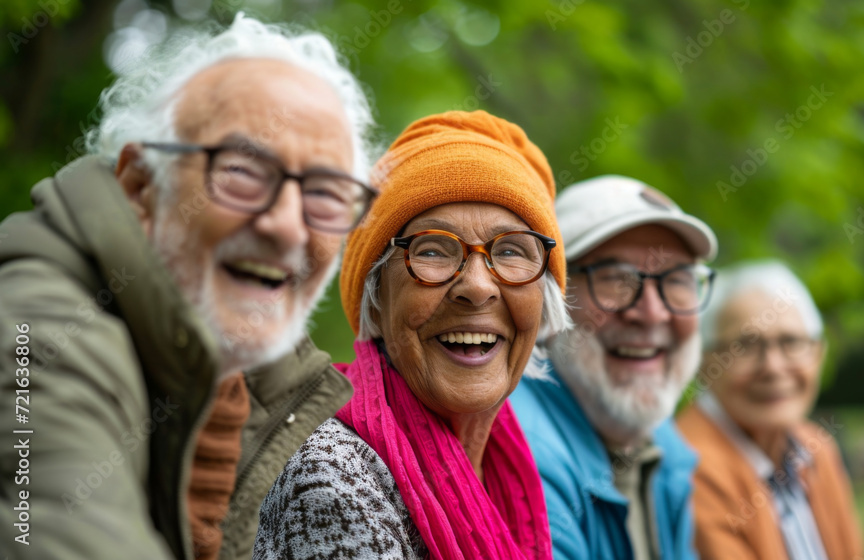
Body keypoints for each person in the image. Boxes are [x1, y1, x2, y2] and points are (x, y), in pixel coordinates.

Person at [0, 15, 375, 560]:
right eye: (243, 171)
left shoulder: (236, 387)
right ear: (140, 186)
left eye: (325, 192)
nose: (288, 225)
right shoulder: (42, 330)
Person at [253, 110, 570, 560]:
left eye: (512, 250)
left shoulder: (508, 467)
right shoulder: (332, 481)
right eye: (434, 250)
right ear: (376, 302)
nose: (478, 287)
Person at [509, 175, 718, 560]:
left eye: (678, 280)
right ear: (549, 301)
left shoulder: (663, 445)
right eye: (615, 279)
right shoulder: (522, 457)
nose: (653, 313)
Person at [677, 261, 864, 559]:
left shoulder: (817, 448)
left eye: (791, 342)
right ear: (706, 363)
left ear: (819, 354)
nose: (773, 367)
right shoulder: (687, 469)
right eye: (747, 346)